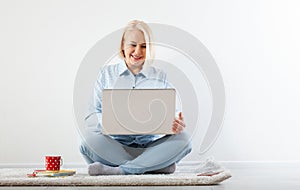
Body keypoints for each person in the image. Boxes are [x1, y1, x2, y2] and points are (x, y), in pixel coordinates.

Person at [80, 20, 192, 175]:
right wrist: (110, 121)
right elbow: (91, 117)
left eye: (144, 46)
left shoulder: (160, 76)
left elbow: (175, 112)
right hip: (116, 146)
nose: (138, 51)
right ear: (123, 47)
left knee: (184, 140)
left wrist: (175, 124)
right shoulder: (105, 74)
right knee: (87, 142)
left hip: (150, 147)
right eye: (133, 45)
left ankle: (120, 171)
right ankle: (154, 167)